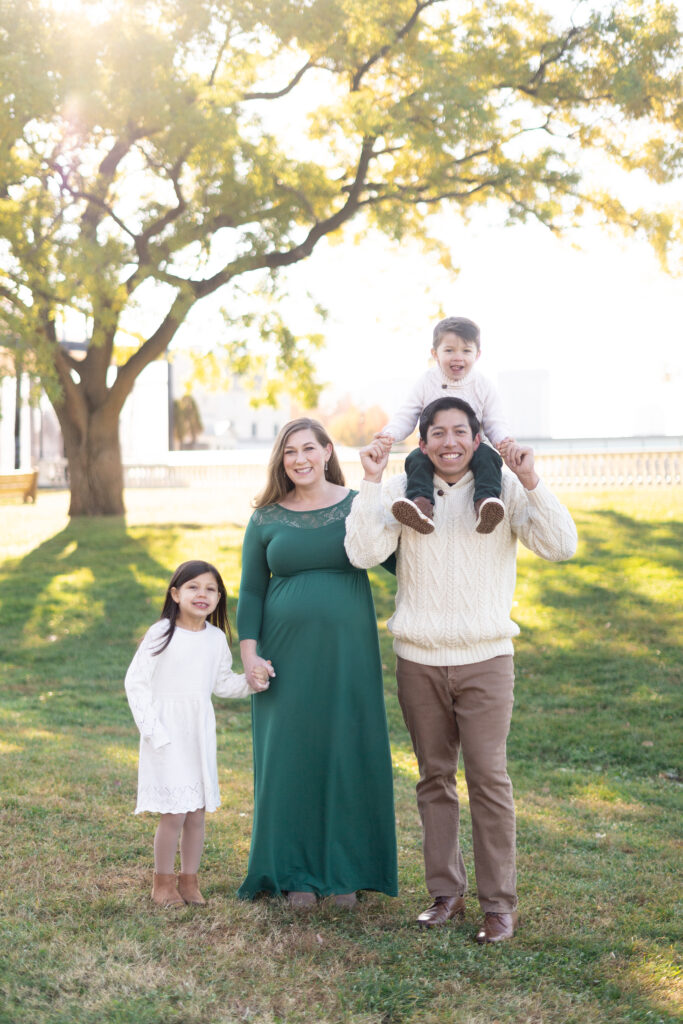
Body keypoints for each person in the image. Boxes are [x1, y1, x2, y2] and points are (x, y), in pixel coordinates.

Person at [345, 397, 577, 942]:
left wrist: (533, 479)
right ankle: (446, 893)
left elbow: (562, 546)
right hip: (418, 659)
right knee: (434, 779)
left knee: (489, 779)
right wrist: (373, 482)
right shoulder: (407, 493)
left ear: (478, 440)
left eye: (460, 433)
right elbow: (360, 552)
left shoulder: (503, 490)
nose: (449, 442)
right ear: (422, 443)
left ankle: (500, 905)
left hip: (486, 658)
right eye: (438, 434)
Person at [236, 417, 398, 908]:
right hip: (284, 660)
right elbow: (250, 589)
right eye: (289, 452)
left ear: (328, 451)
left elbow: (401, 562)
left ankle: (345, 871)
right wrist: (249, 653)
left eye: (309, 448)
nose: (300, 459)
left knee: (347, 752)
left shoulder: (357, 506)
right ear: (280, 460)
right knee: (290, 759)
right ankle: (294, 873)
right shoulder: (265, 516)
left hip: (348, 657)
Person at [125, 560, 270, 908]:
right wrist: (153, 731)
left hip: (198, 733)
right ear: (175, 594)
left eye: (210, 588)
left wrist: (254, 679)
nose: (202, 594)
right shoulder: (161, 633)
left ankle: (189, 881)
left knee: (197, 811)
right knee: (174, 812)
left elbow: (222, 683)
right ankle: (162, 883)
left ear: (219, 598)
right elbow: (136, 683)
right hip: (165, 733)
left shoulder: (216, 638)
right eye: (193, 587)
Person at [375, 316, 522, 535]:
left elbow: (494, 420)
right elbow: (407, 414)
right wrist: (390, 434)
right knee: (416, 459)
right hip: (433, 449)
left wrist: (503, 440)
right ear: (435, 354)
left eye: (466, 351)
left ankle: (485, 504)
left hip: (471, 447)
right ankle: (421, 506)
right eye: (449, 350)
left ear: (477, 354)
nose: (457, 357)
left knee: (489, 457)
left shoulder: (482, 385)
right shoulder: (427, 382)